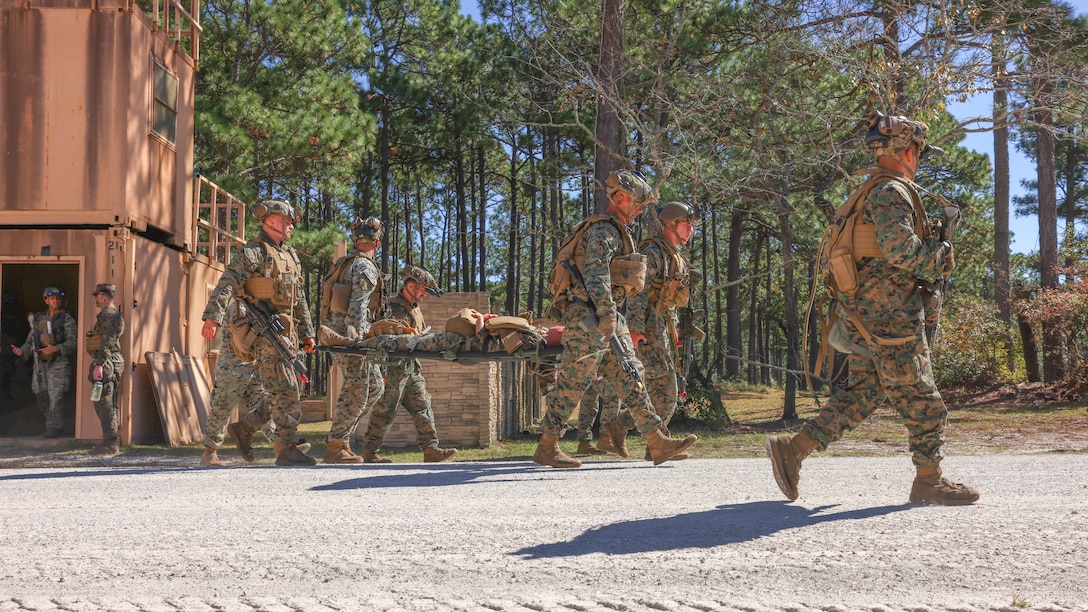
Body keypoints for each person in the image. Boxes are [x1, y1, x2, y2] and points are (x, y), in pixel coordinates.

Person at [765, 112, 979, 506]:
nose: (919, 160)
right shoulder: (891, 192)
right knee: (923, 399)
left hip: (865, 315)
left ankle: (792, 450)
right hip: (891, 317)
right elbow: (901, 251)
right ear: (907, 150)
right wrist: (942, 256)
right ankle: (929, 481)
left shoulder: (869, 191)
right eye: (918, 152)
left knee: (863, 393)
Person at [533, 169, 697, 468]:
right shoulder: (604, 231)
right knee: (573, 382)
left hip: (608, 316)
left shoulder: (619, 232)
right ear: (620, 197)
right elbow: (596, 276)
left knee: (631, 378)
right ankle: (547, 446)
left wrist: (613, 318)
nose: (639, 210)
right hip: (589, 317)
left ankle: (657, 441)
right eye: (637, 203)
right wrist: (608, 317)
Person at [201, 200, 318, 466]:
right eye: (286, 221)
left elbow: (298, 299)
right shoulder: (254, 251)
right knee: (258, 389)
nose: (291, 225)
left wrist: (307, 333)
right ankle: (279, 448)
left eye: (291, 222)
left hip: (282, 333)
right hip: (254, 330)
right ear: (270, 221)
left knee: (279, 390)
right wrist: (212, 317)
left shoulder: (291, 256)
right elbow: (228, 283)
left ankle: (264, 437)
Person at [607, 201, 701, 462]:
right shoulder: (653, 251)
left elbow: (670, 298)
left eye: (692, 226)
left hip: (663, 324)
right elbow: (639, 293)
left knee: (660, 389)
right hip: (649, 325)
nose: (690, 230)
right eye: (686, 225)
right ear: (670, 224)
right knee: (667, 390)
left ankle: (648, 441)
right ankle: (641, 436)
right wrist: (635, 330)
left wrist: (675, 331)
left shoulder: (675, 255)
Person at [359, 265, 457, 463]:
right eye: (423, 290)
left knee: (422, 406)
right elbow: (388, 340)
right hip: (393, 369)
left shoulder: (414, 308)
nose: (425, 295)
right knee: (385, 411)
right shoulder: (394, 308)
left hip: (411, 368)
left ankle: (431, 449)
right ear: (411, 286)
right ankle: (369, 452)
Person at [319, 217, 387, 464]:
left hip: (342, 335)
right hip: (351, 339)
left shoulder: (345, 263)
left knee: (375, 386)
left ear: (357, 241)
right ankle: (336, 445)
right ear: (376, 243)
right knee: (357, 390)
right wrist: (356, 343)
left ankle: (340, 438)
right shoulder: (365, 268)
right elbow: (357, 308)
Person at [199, 302, 271, 466]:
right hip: (232, 370)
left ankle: (281, 446)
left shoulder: (260, 308)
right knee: (221, 411)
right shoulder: (239, 307)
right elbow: (243, 337)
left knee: (263, 407)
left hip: (253, 368)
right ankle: (209, 453)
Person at [12, 286, 77, 438]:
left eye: (58, 298)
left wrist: (56, 348)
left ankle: (54, 428)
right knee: (40, 393)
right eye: (52, 298)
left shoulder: (67, 319)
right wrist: (22, 352)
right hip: (41, 364)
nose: (55, 301)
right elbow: (30, 341)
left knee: (56, 395)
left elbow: (73, 342)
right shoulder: (39, 319)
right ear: (46, 300)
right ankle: (54, 423)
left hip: (59, 363)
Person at [86, 283, 125, 455]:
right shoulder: (109, 314)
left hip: (108, 362)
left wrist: (99, 364)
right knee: (105, 401)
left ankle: (110, 442)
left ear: (102, 297)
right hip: (108, 361)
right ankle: (110, 440)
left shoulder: (109, 315)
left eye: (97, 295)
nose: (96, 299)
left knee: (105, 402)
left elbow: (108, 341)